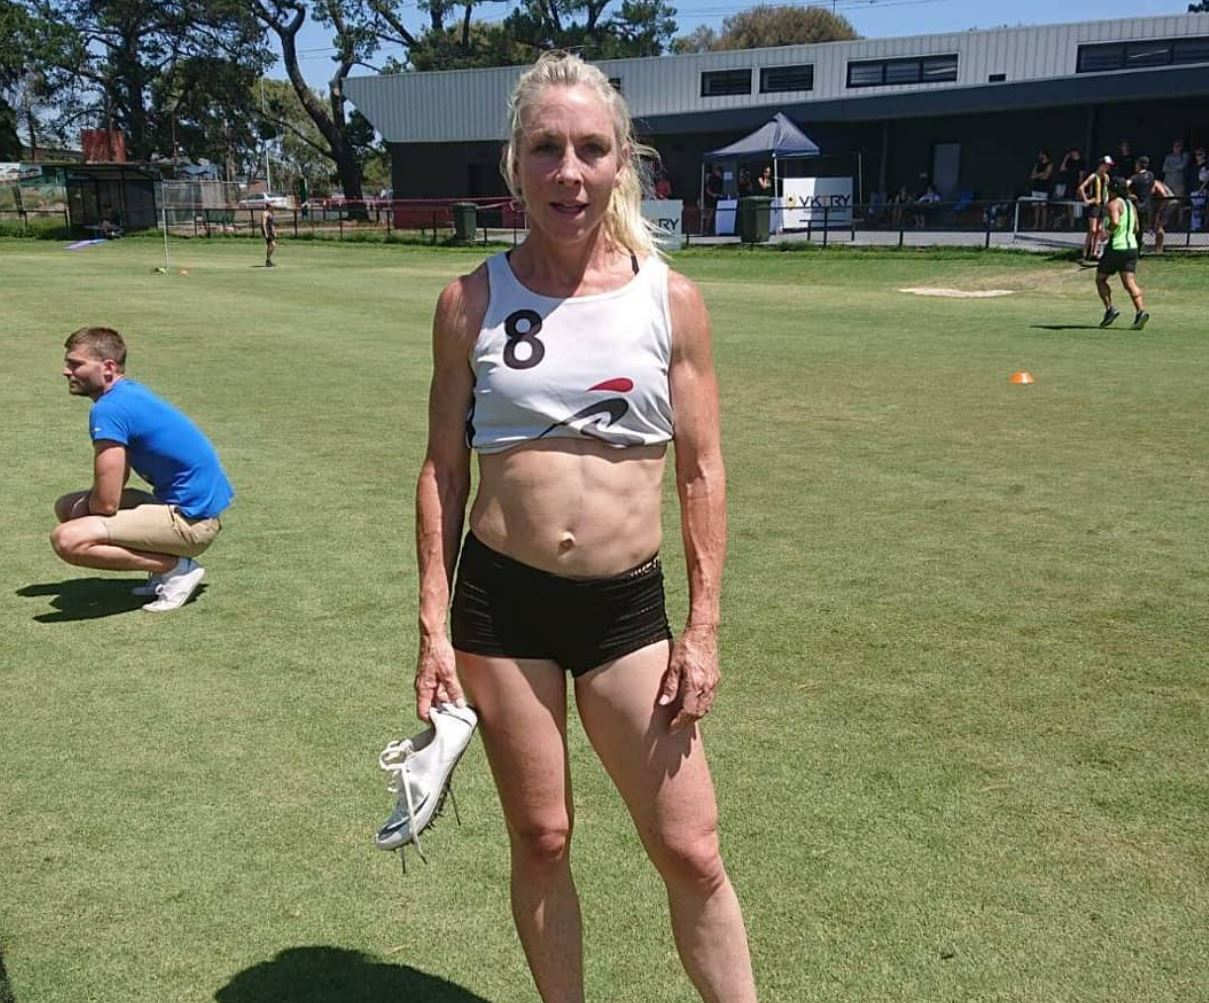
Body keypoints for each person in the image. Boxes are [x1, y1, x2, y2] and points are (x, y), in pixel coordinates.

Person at [411, 50, 758, 1003]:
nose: (568, 171)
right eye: (546, 148)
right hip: (500, 605)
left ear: (620, 163)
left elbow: (701, 470)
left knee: (689, 848)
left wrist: (704, 626)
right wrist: (433, 628)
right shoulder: (468, 301)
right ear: (514, 162)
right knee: (543, 835)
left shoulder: (670, 299)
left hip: (624, 613)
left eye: (590, 150)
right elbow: (442, 469)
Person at [53, 327, 234, 612]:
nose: (66, 370)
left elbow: (108, 501)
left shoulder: (110, 409)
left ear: (108, 367)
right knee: (67, 507)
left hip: (192, 523)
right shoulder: (128, 393)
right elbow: (116, 481)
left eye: (76, 364)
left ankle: (175, 568)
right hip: (189, 511)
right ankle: (169, 567)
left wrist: (85, 513)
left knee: (68, 539)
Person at [1096, 177, 1149, 330]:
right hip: (1132, 248)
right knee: (1129, 283)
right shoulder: (1131, 205)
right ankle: (1141, 311)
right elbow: (1136, 227)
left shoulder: (1113, 204)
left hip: (1116, 248)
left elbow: (1115, 221)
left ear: (1112, 190)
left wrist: (1107, 233)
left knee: (1100, 279)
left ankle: (1110, 309)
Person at [1077, 156, 1113, 262]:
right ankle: (1085, 252)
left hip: (1103, 205)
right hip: (1094, 205)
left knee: (1099, 230)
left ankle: (1095, 252)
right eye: (1106, 165)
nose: (1107, 168)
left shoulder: (1106, 177)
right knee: (1092, 230)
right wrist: (1086, 200)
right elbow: (1081, 188)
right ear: (1101, 165)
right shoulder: (1093, 176)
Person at [1057, 148, 1085, 228]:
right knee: (1069, 204)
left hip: (1076, 185)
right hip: (1069, 184)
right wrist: (1066, 158)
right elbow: (1062, 169)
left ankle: (1078, 223)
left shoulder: (1081, 162)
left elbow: (1081, 176)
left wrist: (1080, 187)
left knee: (1077, 205)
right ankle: (1071, 223)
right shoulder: (1070, 162)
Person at [1027, 150, 1054, 229]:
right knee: (1036, 207)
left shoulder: (1049, 164)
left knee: (1043, 207)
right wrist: (1041, 174)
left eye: (1041, 155)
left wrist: (1038, 175)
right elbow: (1032, 176)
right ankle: (1036, 224)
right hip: (1036, 188)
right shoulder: (1037, 164)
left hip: (1044, 189)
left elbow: (1046, 177)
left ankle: (1043, 224)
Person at [702, 165, 723, 235]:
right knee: (710, 214)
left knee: (715, 215)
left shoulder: (720, 180)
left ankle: (713, 229)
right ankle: (706, 229)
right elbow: (707, 190)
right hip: (710, 200)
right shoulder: (712, 179)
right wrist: (713, 194)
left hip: (717, 200)